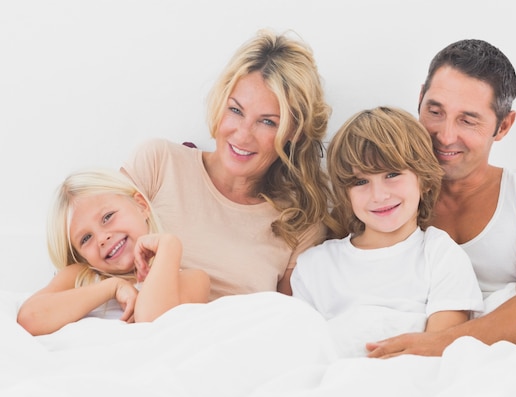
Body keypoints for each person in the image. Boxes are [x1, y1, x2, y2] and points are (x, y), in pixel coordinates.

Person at [366, 39, 516, 358]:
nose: (445, 135)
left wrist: (439, 345)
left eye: (467, 120)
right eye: (435, 111)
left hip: (509, 358)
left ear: (504, 125)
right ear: (420, 99)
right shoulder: (381, 195)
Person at [121, 28, 339, 300]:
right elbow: (81, 264)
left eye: (267, 121)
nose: (243, 134)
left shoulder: (300, 224)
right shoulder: (157, 163)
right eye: (235, 110)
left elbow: (286, 323)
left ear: (294, 132)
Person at [291, 106, 484, 357]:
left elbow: (440, 347)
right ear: (345, 193)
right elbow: (301, 351)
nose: (379, 195)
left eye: (392, 175)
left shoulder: (439, 254)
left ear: (423, 179)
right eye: (361, 182)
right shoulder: (314, 266)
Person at [17, 169, 212, 336]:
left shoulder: (191, 279)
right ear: (81, 255)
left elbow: (152, 322)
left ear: (141, 206)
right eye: (86, 239)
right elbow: (29, 319)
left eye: (107, 217)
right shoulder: (80, 277)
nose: (102, 238)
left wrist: (169, 245)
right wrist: (112, 287)